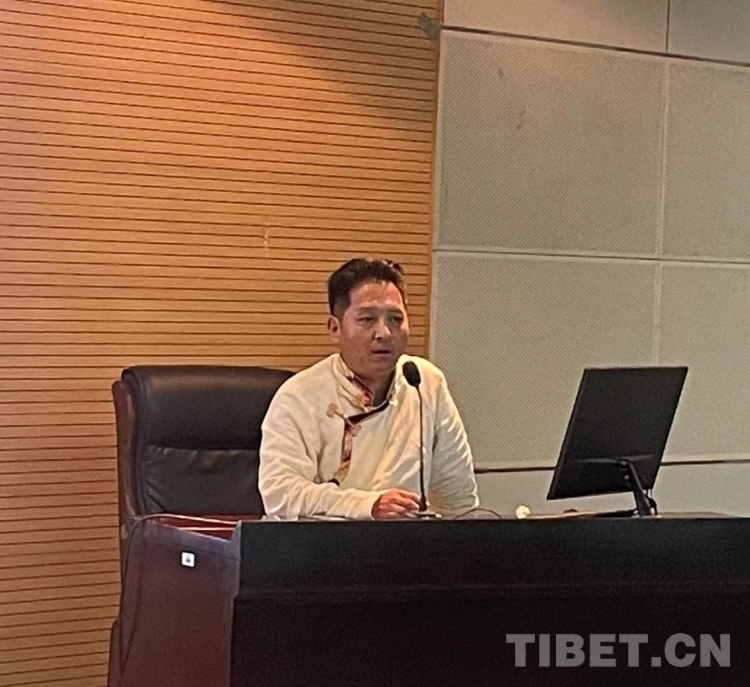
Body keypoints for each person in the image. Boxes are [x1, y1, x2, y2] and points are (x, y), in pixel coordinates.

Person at [258, 258, 479, 520]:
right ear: (335, 328)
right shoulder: (299, 395)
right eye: (367, 319)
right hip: (324, 542)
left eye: (395, 319)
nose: (384, 333)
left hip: (409, 541)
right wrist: (368, 505)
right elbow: (281, 494)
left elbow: (457, 498)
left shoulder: (424, 382)